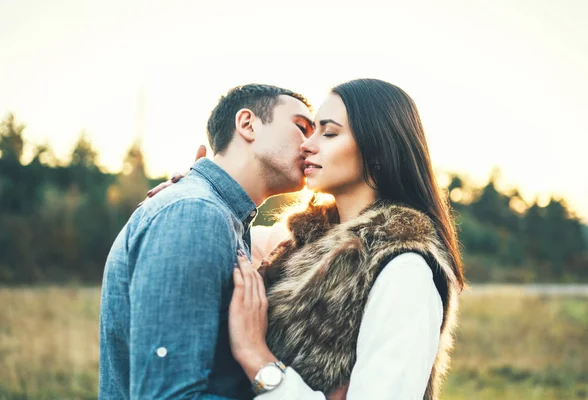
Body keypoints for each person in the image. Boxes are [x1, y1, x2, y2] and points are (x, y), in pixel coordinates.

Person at [150, 78, 465, 399]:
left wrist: (258, 359)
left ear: (377, 149)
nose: (307, 145)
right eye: (309, 131)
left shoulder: (404, 269)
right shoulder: (300, 242)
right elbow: (227, 229)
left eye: (328, 133)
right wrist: (196, 186)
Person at [98, 84, 315, 399]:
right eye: (301, 127)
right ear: (247, 124)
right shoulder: (195, 213)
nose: (310, 145)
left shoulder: (220, 217)